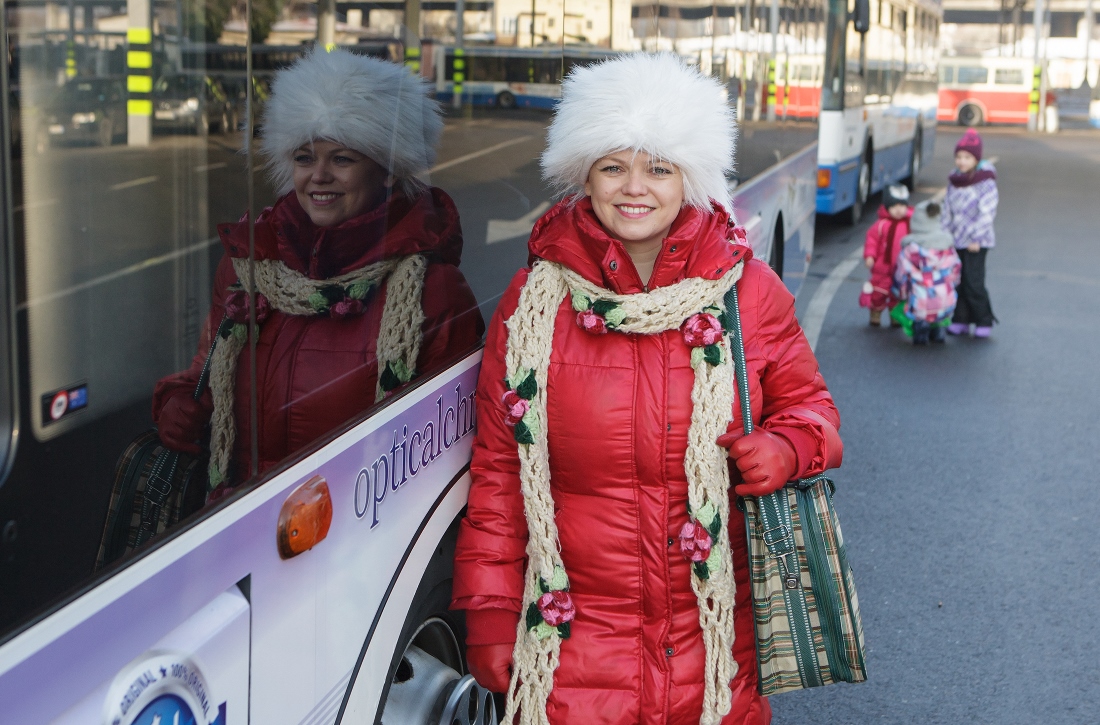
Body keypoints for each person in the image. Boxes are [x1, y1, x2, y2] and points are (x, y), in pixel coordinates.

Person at [451, 54, 842, 725]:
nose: (634, 187)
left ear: (689, 177)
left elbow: (818, 415)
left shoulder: (748, 293)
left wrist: (785, 446)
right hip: (574, 645)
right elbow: (498, 468)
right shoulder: (532, 303)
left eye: (658, 167)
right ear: (586, 176)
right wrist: (487, 609)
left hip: (712, 641)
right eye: (613, 166)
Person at [152, 49, 483, 493]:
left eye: (342, 159)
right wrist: (176, 405)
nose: (319, 176)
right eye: (305, 158)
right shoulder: (248, 267)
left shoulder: (432, 291)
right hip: (235, 531)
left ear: (386, 170)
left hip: (353, 540)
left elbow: (441, 453)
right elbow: (204, 375)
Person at [942, 128, 998, 338]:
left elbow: (987, 212)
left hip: (977, 242)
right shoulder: (954, 180)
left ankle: (984, 320)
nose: (962, 161)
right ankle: (960, 319)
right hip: (956, 240)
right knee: (958, 282)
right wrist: (943, 234)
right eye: (959, 157)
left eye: (967, 157)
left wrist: (976, 238)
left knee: (974, 282)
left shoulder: (985, 181)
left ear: (976, 158)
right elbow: (947, 209)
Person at [891, 201, 962, 345]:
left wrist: (900, 293)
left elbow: (902, 275)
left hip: (920, 302)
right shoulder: (947, 247)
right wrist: (951, 285)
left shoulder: (910, 250)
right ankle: (939, 331)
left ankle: (921, 331)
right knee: (940, 310)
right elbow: (956, 270)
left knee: (919, 310)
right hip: (946, 301)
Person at [860, 184, 912, 326]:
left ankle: (895, 314)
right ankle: (875, 311)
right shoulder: (881, 224)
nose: (898, 210)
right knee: (879, 292)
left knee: (899, 293)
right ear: (887, 207)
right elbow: (872, 241)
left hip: (902, 267)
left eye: (902, 206)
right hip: (883, 266)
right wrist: (870, 256)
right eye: (894, 206)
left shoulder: (909, 224)